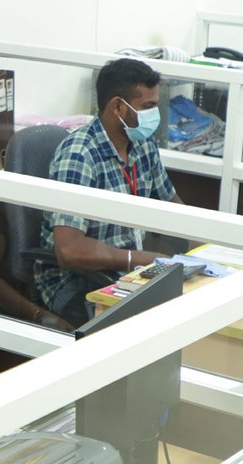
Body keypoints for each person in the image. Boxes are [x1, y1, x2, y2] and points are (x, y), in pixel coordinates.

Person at [36, 58, 184, 326]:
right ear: (117, 107)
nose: (155, 114)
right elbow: (69, 250)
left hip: (128, 274)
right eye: (147, 107)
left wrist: (210, 248)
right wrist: (139, 259)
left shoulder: (143, 144)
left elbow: (173, 206)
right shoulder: (80, 155)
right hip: (79, 284)